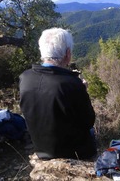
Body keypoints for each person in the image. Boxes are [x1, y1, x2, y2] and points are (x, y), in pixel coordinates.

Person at [19, 27, 97, 160]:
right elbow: (88, 121)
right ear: (67, 54)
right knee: (91, 132)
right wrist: (82, 91)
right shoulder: (72, 84)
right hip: (73, 153)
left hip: (41, 149)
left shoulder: (25, 77)